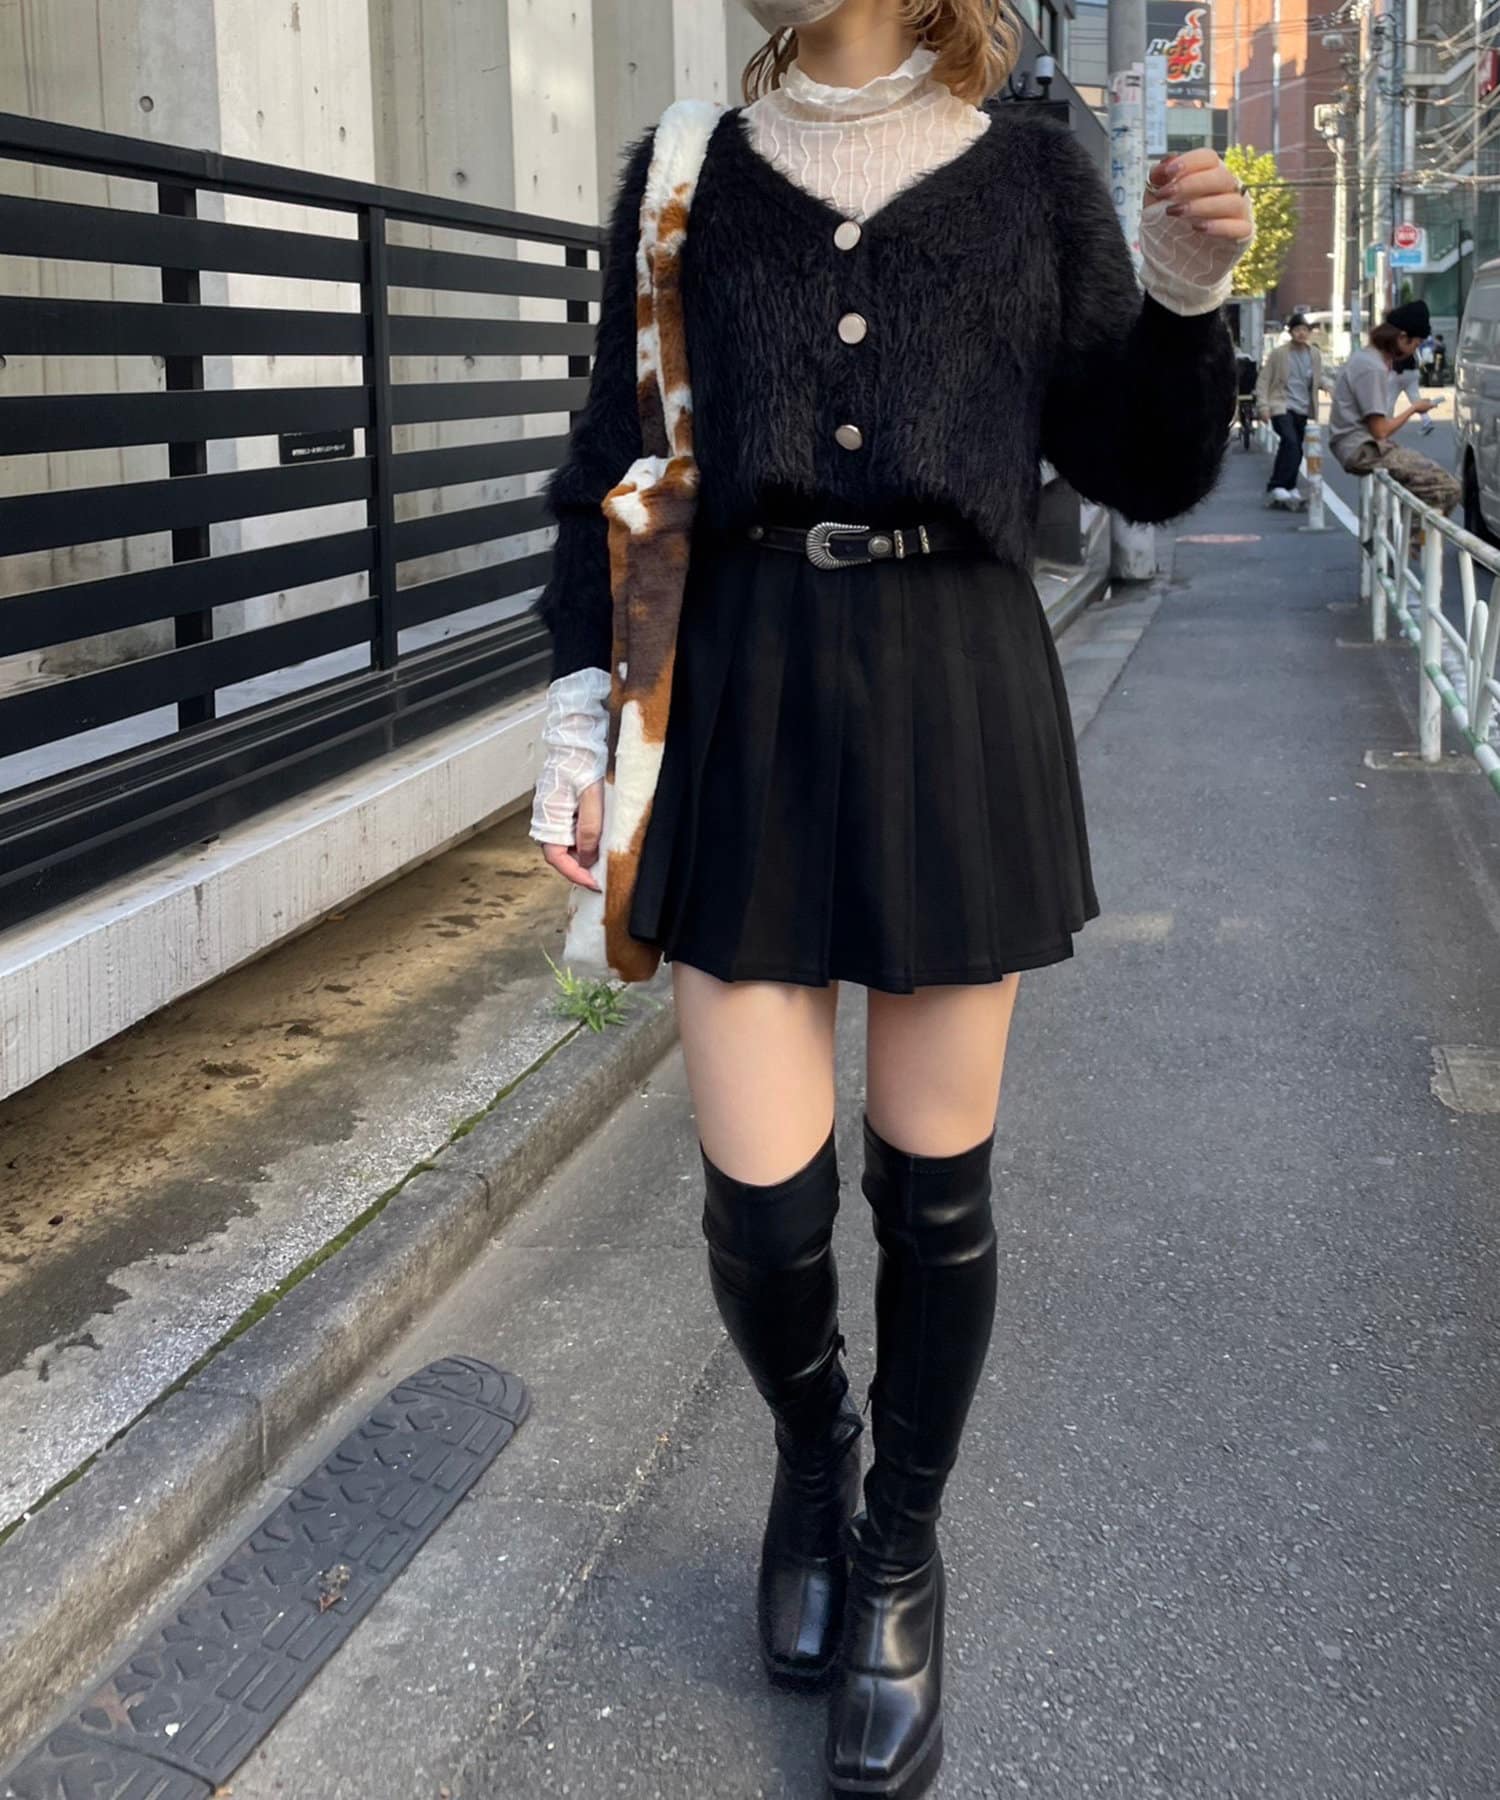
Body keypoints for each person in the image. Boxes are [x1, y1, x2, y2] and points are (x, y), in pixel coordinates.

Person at [529, 3, 1251, 1794]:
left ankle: (902, 1556)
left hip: (955, 687)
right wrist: (573, 708)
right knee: (764, 1210)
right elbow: (613, 452)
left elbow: (1142, 466)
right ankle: (813, 1458)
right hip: (743, 686)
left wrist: (1182, 298)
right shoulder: (686, 173)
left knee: (933, 1197)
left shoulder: (1032, 177)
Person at [1328, 317, 1461, 514]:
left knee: (1422, 481)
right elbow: (1380, 430)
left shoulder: (1365, 358)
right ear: (1402, 338)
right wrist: (1414, 408)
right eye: (1415, 344)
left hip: (1355, 444)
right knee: (1446, 488)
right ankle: (1411, 534)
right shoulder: (1373, 367)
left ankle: (1400, 528)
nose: (1414, 351)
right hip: (1361, 447)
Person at [1255, 312, 1322, 502]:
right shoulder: (1279, 354)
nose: (1301, 333)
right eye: (1297, 329)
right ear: (1291, 332)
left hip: (1303, 407)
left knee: (1296, 449)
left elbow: (1318, 378)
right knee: (1290, 442)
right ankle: (1277, 485)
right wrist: (1263, 406)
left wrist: (1331, 387)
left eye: (1304, 330)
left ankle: (1289, 486)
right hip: (1281, 405)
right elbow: (1264, 380)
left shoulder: (1314, 354)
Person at [1387, 299, 1434, 434]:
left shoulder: (1397, 348)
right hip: (1412, 373)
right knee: (1415, 398)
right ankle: (1426, 420)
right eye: (1417, 343)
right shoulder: (1406, 347)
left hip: (1398, 374)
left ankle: (1386, 422)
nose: (1415, 347)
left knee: (1389, 399)